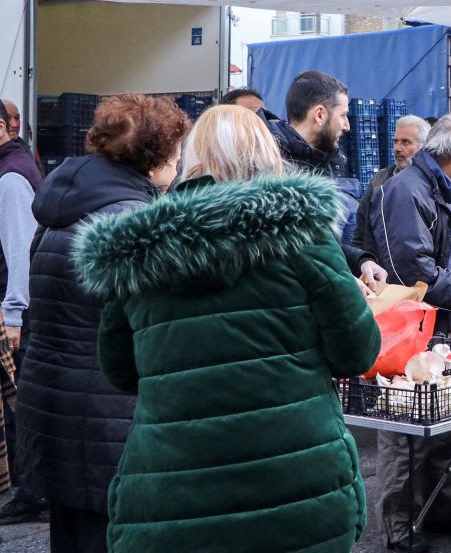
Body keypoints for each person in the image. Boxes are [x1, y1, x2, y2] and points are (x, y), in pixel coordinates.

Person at [71, 104, 379, 553]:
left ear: (190, 160)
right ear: (266, 156)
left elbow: (119, 369)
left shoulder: (140, 251)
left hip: (172, 494)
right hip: (297, 486)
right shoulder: (303, 235)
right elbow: (357, 351)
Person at [17, 93, 190, 552]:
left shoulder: (61, 210)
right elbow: (155, 332)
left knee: (70, 535)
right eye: (175, 157)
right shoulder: (130, 220)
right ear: (153, 161)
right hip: (107, 418)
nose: (177, 168)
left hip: (53, 405)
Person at [369, 113, 451, 553]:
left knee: (441, 426)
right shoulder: (407, 190)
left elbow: (434, 246)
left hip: (436, 328)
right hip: (408, 331)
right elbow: (411, 266)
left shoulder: (435, 186)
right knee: (403, 436)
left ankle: (443, 511)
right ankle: (397, 535)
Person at [265, 70, 386, 292]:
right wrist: (337, 280)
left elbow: (319, 243)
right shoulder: (270, 167)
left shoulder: (322, 161)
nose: (347, 125)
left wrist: (359, 260)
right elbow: (284, 255)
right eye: (343, 115)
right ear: (320, 115)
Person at [0, 103, 42, 501]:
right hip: (14, 308)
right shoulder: (13, 165)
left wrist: (14, 313)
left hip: (14, 312)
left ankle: (27, 491)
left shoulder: (11, 176)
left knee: (17, 401)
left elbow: (20, 250)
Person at [353, 115, 430, 255]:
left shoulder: (431, 184)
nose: (397, 148)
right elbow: (361, 228)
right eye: (395, 141)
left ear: (423, 147)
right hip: (380, 267)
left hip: (419, 268)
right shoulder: (379, 180)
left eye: (406, 142)